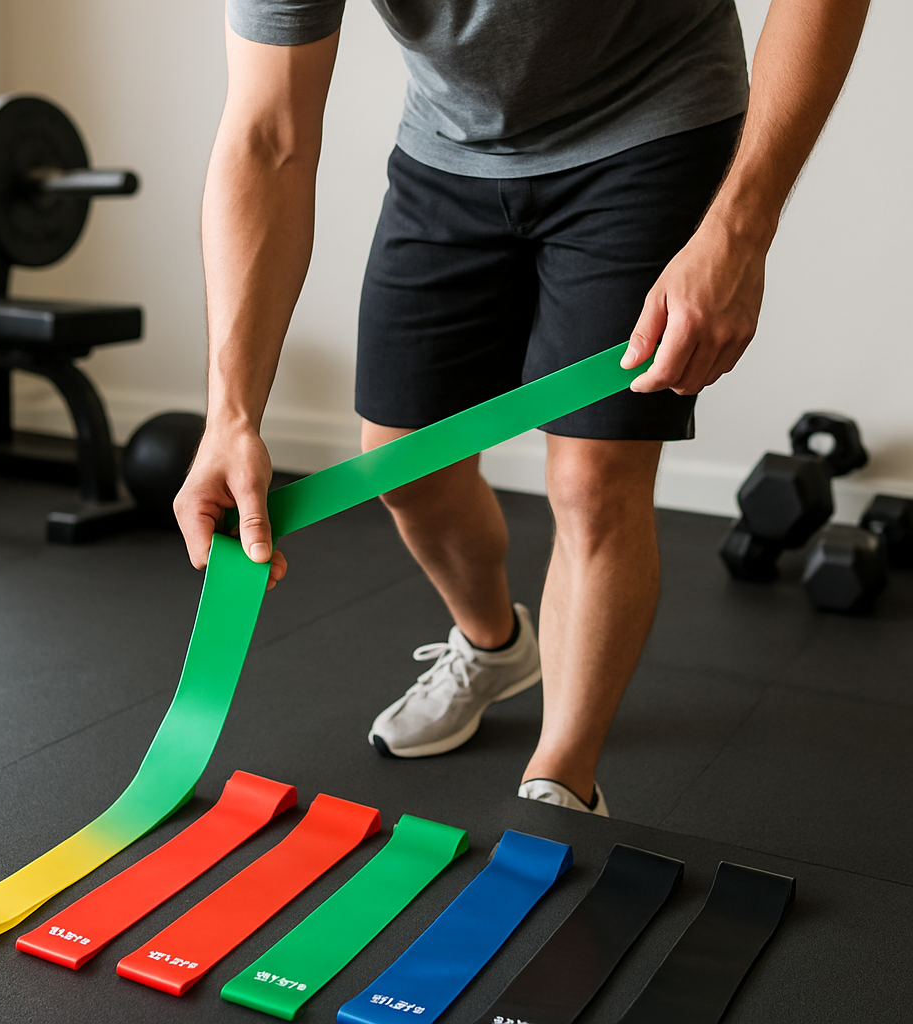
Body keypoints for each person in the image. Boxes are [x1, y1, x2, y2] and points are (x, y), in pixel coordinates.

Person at [175, 0, 871, 815]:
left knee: (591, 480)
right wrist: (231, 415)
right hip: (450, 151)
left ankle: (564, 778)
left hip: (651, 131)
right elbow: (268, 135)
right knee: (406, 467)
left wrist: (741, 231)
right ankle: (494, 644)